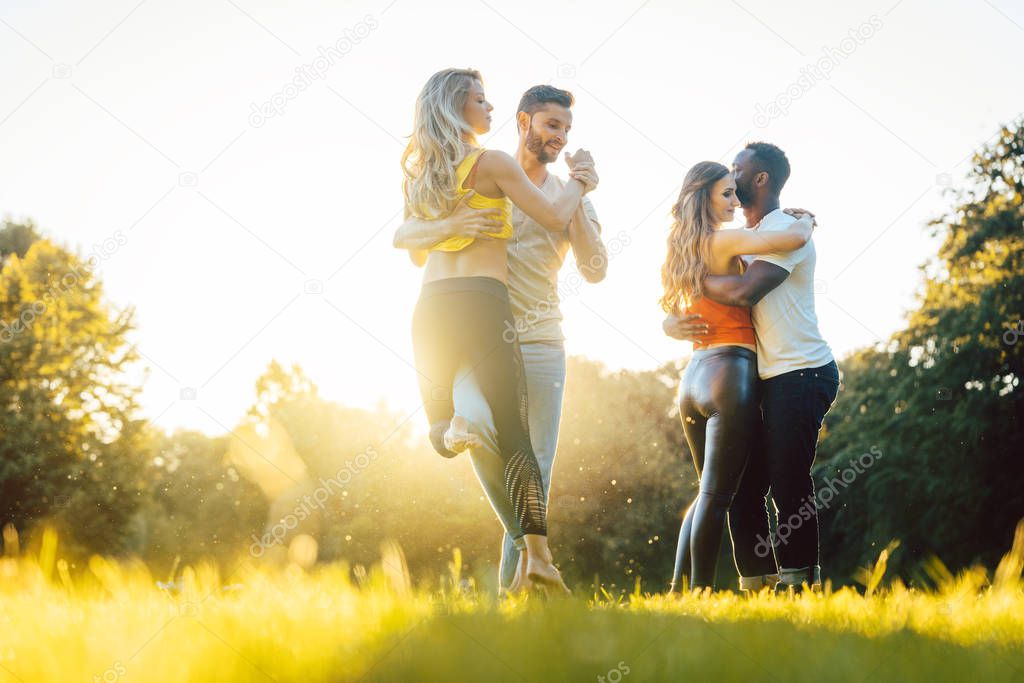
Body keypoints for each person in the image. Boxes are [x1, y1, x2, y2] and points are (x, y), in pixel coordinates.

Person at [395, 84, 605, 594]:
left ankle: (515, 594)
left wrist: (579, 198)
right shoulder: (483, 173)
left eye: (567, 131)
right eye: (552, 125)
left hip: (540, 342)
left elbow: (595, 269)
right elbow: (413, 246)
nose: (559, 137)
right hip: (477, 335)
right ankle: (533, 566)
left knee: (535, 465)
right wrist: (451, 222)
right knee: (480, 429)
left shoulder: (567, 192)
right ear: (525, 121)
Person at [665, 142, 839, 593]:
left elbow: (745, 293)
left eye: (737, 171)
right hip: (759, 375)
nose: (732, 177)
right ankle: (756, 585)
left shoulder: (781, 227)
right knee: (740, 489)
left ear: (759, 179)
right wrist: (674, 316)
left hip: (799, 373)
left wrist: (694, 276)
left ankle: (800, 583)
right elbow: (698, 304)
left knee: (786, 480)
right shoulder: (747, 234)